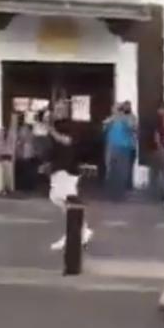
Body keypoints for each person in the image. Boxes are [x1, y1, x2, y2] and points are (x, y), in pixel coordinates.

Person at [47, 100, 93, 251]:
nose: (58, 111)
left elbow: (67, 141)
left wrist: (51, 131)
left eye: (61, 108)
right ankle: (81, 230)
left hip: (67, 167)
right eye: (56, 108)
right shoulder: (56, 125)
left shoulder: (71, 126)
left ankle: (78, 232)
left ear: (67, 110)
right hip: (58, 166)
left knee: (67, 199)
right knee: (58, 198)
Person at [0, 114, 19, 195]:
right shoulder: (6, 135)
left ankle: (6, 188)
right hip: (6, 156)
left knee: (5, 174)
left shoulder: (2, 134)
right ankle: (7, 188)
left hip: (5, 156)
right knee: (7, 174)